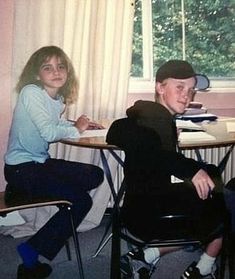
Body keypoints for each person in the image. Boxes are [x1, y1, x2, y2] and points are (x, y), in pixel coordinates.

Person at [106, 60, 232, 279]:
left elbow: (125, 133)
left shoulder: (150, 113)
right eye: (180, 87)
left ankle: (150, 256)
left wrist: (192, 168)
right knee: (229, 204)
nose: (187, 95)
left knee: (213, 174)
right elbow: (148, 148)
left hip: (142, 204)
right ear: (160, 87)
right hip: (151, 214)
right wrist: (189, 168)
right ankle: (204, 267)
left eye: (191, 90)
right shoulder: (156, 117)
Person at [4, 46, 104, 279]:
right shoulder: (31, 92)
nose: (56, 71)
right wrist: (76, 128)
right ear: (37, 74)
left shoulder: (56, 99)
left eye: (61, 66)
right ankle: (30, 253)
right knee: (81, 201)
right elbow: (49, 133)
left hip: (39, 163)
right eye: (47, 67)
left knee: (94, 174)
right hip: (21, 169)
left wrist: (77, 125)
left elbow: (49, 124)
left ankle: (29, 194)